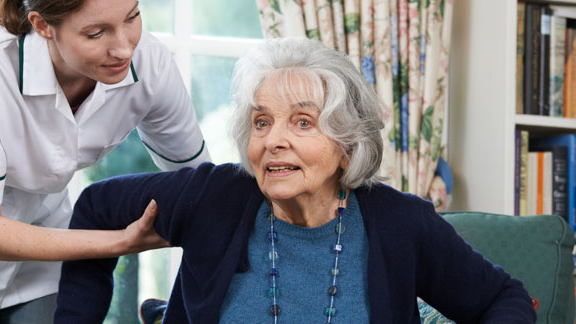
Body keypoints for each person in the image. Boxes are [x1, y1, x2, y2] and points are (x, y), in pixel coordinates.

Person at [55, 37, 536, 323]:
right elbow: (95, 207)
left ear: (347, 144)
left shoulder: (400, 222)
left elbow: (504, 298)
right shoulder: (215, 195)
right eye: (261, 122)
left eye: (302, 122)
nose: (272, 141)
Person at [0, 0, 209, 323]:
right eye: (96, 33)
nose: (123, 48)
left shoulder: (150, 63)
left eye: (132, 16)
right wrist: (119, 241)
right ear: (43, 26)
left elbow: (203, 185)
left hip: (41, 239)